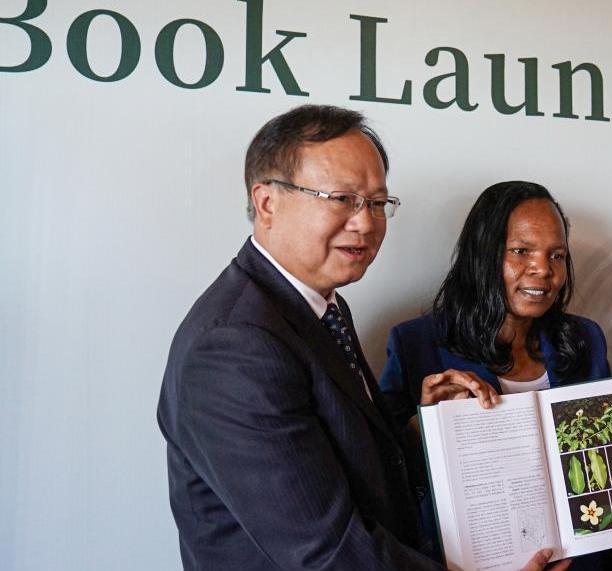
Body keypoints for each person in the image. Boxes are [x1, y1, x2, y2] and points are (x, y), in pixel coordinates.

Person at [156, 105, 551, 570]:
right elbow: (325, 551)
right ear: (267, 203)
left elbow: (352, 469)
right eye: (342, 198)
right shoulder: (235, 345)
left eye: (378, 203)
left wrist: (423, 429)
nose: (365, 222)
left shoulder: (324, 307)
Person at [379, 181, 612, 563]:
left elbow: (590, 470)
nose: (543, 269)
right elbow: (388, 480)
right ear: (483, 254)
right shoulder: (416, 343)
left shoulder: (585, 339)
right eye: (521, 251)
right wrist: (425, 424)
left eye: (557, 255)